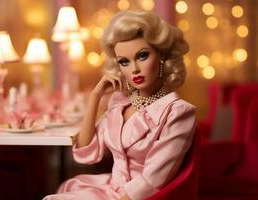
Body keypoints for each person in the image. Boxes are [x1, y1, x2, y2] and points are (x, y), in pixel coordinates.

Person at [44, 10, 196, 200]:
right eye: (124, 61)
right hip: (110, 188)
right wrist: (95, 96)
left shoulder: (178, 112)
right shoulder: (120, 102)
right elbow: (86, 151)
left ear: (162, 56)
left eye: (142, 56)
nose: (134, 69)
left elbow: (154, 179)